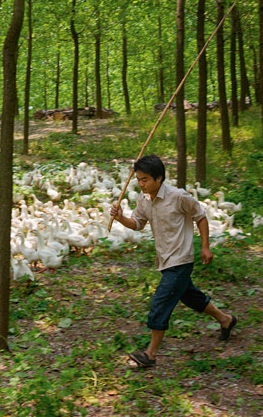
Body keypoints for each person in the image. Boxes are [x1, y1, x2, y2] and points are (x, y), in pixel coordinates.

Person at [109, 154, 237, 368]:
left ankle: (150, 355)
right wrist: (121, 217)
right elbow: (138, 223)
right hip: (165, 259)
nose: (141, 184)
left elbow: (200, 216)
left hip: (181, 259)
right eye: (138, 179)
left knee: (161, 301)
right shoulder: (144, 199)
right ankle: (226, 320)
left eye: (145, 179)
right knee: (190, 296)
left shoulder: (178, 197)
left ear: (159, 178)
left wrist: (205, 246)